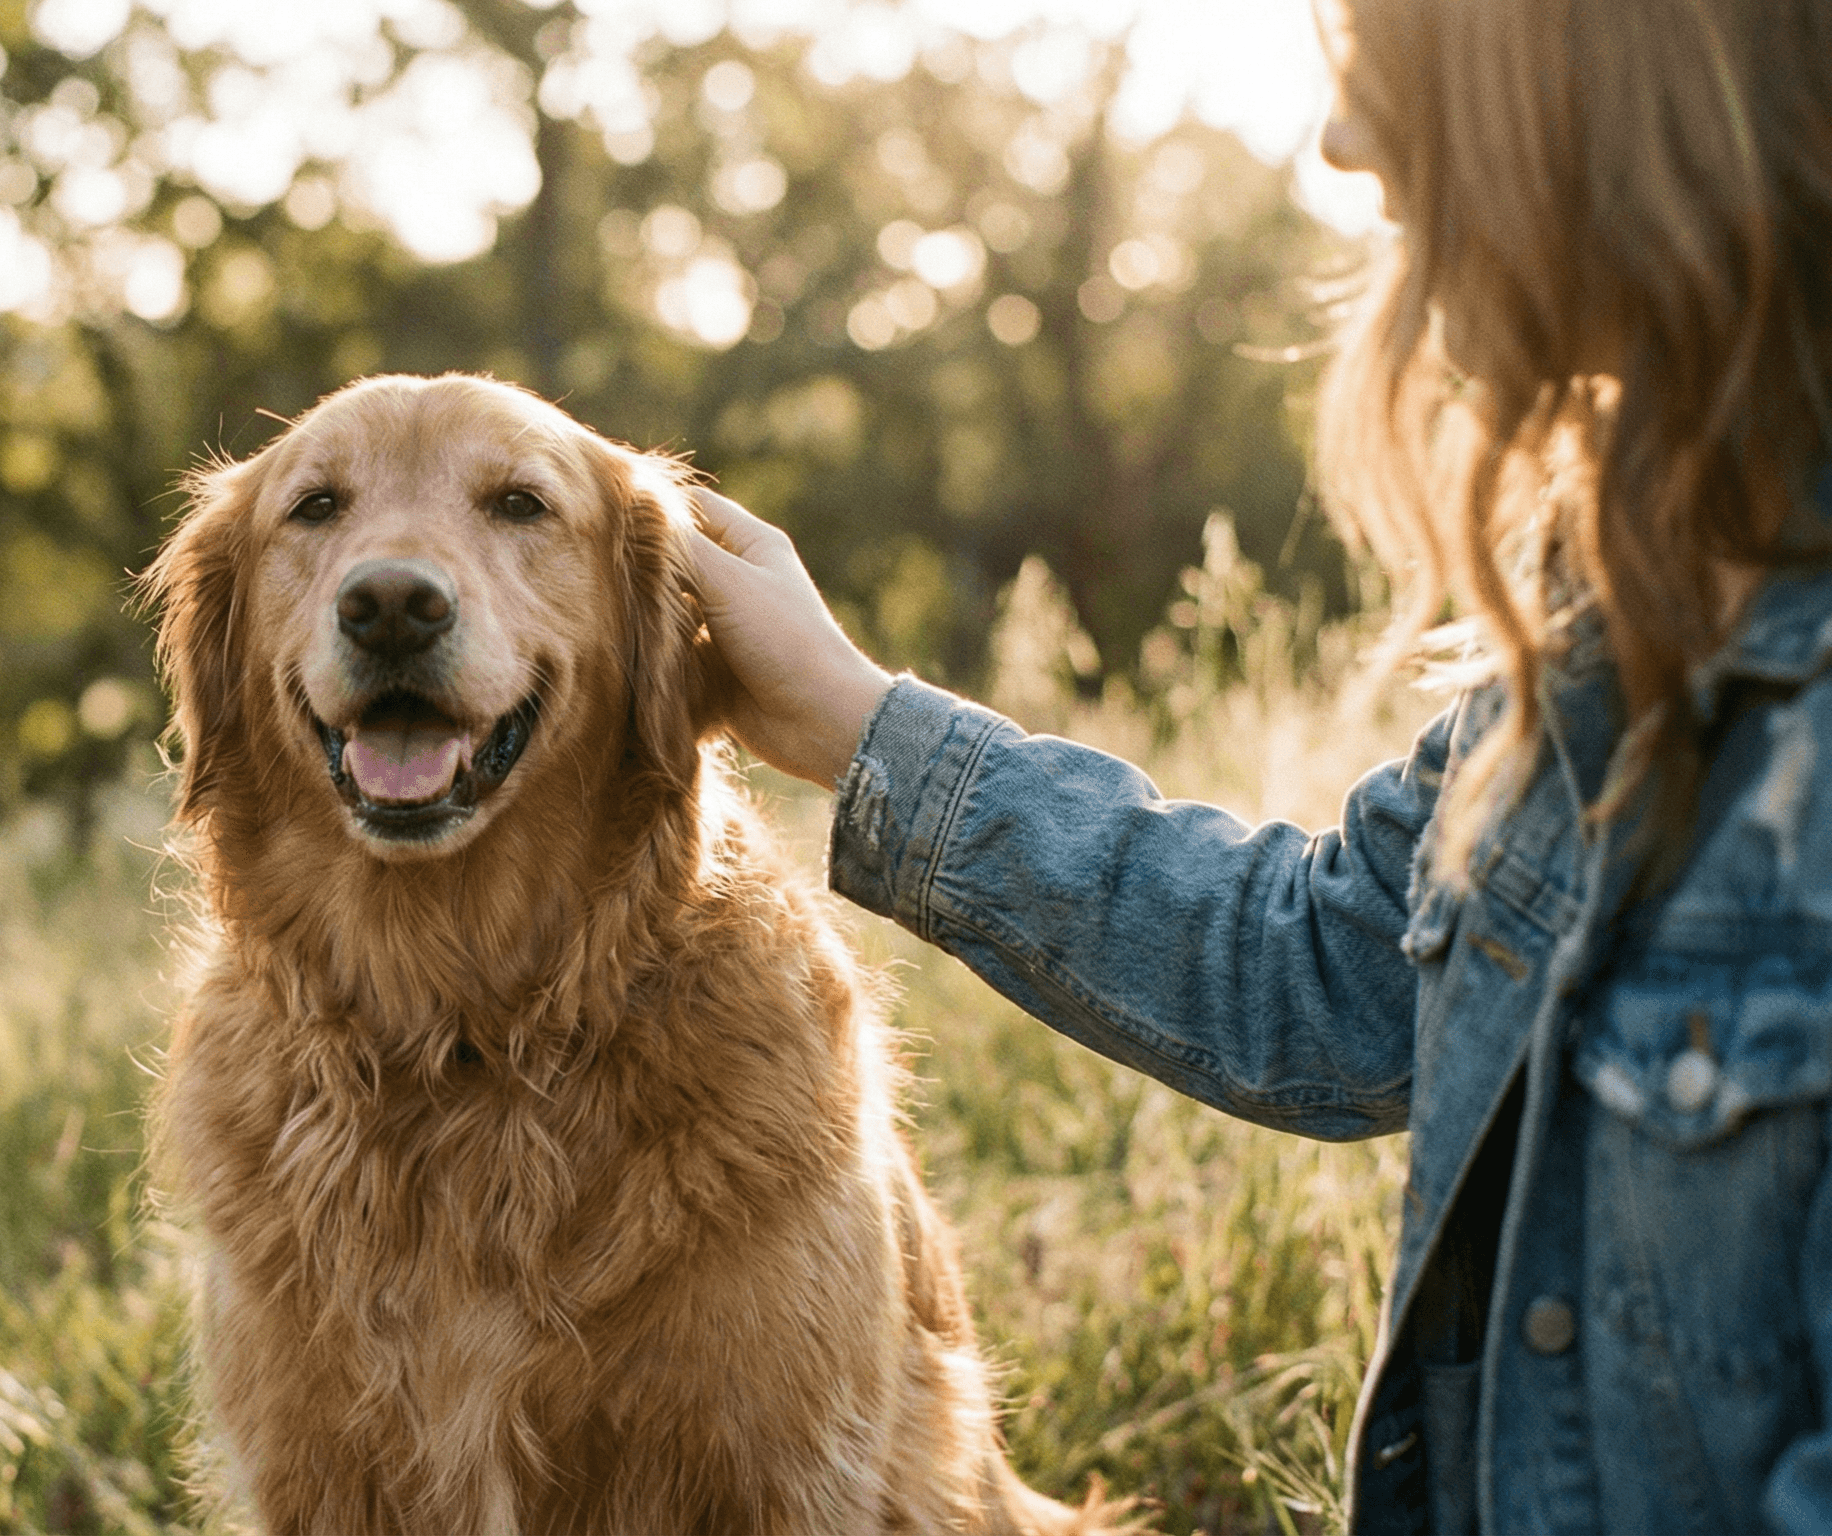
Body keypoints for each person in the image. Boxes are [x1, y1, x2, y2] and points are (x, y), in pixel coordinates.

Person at [682, 1, 1832, 1532]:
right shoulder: (1621, 611)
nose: (1341, 140)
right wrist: (857, 721)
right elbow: (1329, 971)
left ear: (1605, 90)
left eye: (1391, 70)